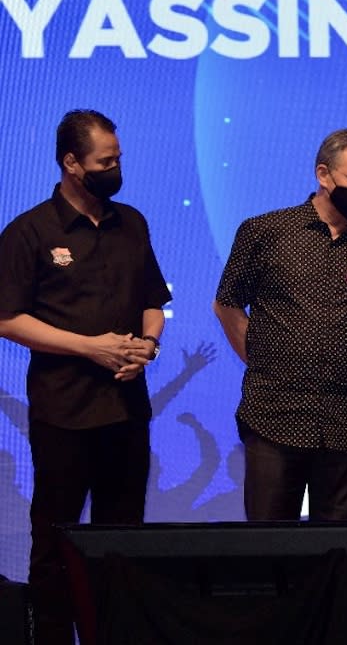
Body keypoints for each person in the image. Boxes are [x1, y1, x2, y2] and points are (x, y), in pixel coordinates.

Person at [0, 109, 170, 644]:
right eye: (106, 161)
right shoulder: (30, 231)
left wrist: (148, 344)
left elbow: (153, 302)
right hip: (63, 412)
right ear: (72, 164)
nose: (116, 168)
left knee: (125, 537)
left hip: (127, 409)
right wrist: (89, 348)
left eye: (118, 159)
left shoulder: (132, 222)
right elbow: (7, 318)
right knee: (55, 539)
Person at [214, 128, 347, 522]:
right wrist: (261, 358)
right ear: (324, 175)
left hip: (346, 420)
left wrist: (346, 356)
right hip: (273, 414)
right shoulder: (265, 232)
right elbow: (227, 304)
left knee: (338, 552)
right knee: (269, 547)